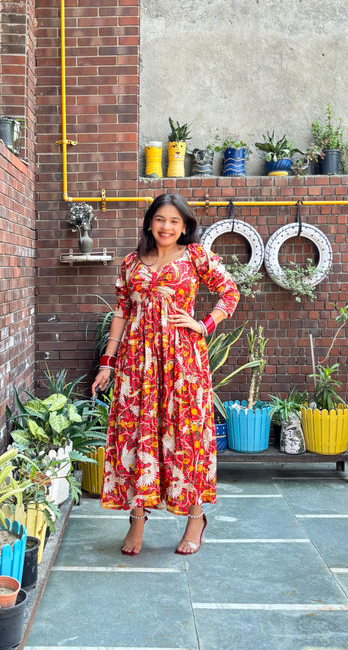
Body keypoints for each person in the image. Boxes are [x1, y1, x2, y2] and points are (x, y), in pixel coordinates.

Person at [92, 193, 240, 556]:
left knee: (186, 436)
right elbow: (122, 312)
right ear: (149, 222)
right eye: (160, 219)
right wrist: (107, 361)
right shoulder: (130, 263)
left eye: (175, 221)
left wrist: (203, 324)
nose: (166, 227)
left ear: (185, 226)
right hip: (137, 362)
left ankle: (195, 518)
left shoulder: (196, 256)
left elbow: (230, 292)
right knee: (136, 433)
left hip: (182, 362)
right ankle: (137, 518)